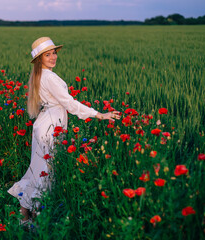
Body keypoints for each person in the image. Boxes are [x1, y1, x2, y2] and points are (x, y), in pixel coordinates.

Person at [7, 37, 120, 226]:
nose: (53, 57)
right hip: (51, 128)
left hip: (43, 124)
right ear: (39, 59)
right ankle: (36, 223)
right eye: (47, 55)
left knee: (37, 172)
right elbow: (69, 103)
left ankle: (24, 217)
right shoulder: (49, 77)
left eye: (54, 53)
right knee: (45, 175)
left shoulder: (39, 75)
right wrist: (98, 114)